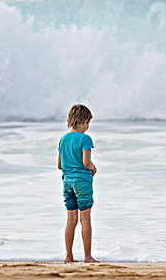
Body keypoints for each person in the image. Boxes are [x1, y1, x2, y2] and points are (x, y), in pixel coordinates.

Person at [57, 104, 99, 263]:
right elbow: (86, 162)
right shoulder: (85, 139)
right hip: (82, 182)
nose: (88, 127)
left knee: (71, 220)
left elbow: (60, 165)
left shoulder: (63, 139)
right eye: (88, 123)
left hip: (67, 182)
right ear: (84, 121)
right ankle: (87, 257)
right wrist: (93, 167)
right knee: (85, 219)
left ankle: (68, 256)